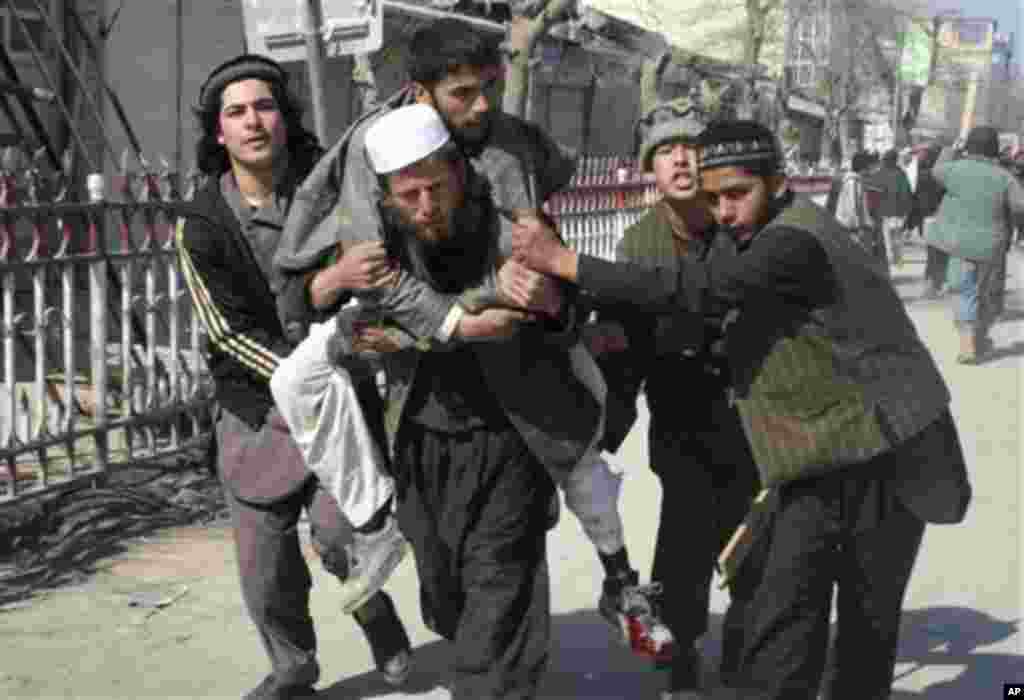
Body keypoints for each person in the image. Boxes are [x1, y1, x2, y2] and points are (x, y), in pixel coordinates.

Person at [510, 119, 973, 700]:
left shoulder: (793, 239)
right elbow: (666, 312)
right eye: (714, 197)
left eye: (737, 195)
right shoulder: (732, 234)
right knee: (781, 632)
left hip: (884, 450)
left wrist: (568, 263)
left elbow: (699, 293)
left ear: (778, 182)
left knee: (864, 628)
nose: (724, 211)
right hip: (812, 459)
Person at [271, 17, 669, 657]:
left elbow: (536, 251)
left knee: (573, 454)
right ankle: (374, 523)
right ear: (421, 93)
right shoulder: (377, 151)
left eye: (489, 85)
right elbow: (375, 275)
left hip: (513, 389)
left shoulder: (506, 147)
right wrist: (456, 321)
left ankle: (620, 580)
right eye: (462, 93)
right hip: (421, 401)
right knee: (298, 382)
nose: (481, 104)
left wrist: (548, 296)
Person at [291, 102, 608, 698]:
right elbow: (308, 314)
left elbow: (571, 314)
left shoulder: (513, 226)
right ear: (386, 196)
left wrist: (547, 302)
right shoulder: (378, 250)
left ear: (458, 173)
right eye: (408, 197)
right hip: (420, 441)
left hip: (513, 434)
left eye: (436, 189)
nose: (426, 208)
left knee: (500, 587)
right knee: (447, 595)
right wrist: (343, 298)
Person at [175, 54, 412, 700]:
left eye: (264, 106)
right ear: (218, 132)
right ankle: (294, 669)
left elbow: (372, 280)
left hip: (338, 400)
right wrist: (299, 374)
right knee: (265, 569)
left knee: (340, 536)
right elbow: (224, 333)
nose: (253, 121)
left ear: (284, 118)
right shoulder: (200, 223)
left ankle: (373, 611)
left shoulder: (332, 198)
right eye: (236, 112)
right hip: (255, 414)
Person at [591, 103, 760, 699]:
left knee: (753, 538)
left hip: (751, 412)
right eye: (666, 151)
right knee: (685, 541)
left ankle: (746, 655)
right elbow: (623, 348)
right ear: (650, 170)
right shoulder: (639, 245)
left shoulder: (740, 225)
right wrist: (603, 433)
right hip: (682, 414)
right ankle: (678, 656)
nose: (682, 158)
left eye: (690, 147)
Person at [926, 125, 1024, 364]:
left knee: (965, 293)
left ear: (968, 145)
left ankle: (968, 345)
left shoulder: (954, 170)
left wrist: (952, 148)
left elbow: (935, 170)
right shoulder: (1005, 177)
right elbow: (1020, 207)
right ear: (994, 149)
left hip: (958, 244)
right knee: (986, 294)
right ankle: (980, 339)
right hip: (992, 246)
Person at [907, 143, 948, 298]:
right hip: (940, 217)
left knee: (933, 252)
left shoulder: (922, 174)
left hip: (928, 218)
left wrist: (912, 221)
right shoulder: (942, 175)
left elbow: (916, 199)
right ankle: (936, 283)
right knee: (940, 252)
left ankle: (931, 285)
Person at [866, 148, 914, 269]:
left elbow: (872, 194)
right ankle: (898, 260)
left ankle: (890, 260)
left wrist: (872, 211)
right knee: (896, 236)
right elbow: (906, 194)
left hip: (883, 213)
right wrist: (907, 210)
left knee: (886, 237)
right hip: (898, 212)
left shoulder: (878, 175)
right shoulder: (901, 174)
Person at [833, 151, 883, 264]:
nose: (871, 169)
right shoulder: (853, 182)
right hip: (852, 228)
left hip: (852, 227)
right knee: (859, 258)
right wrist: (859, 227)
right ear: (863, 167)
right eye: (869, 166)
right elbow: (854, 207)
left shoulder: (854, 181)